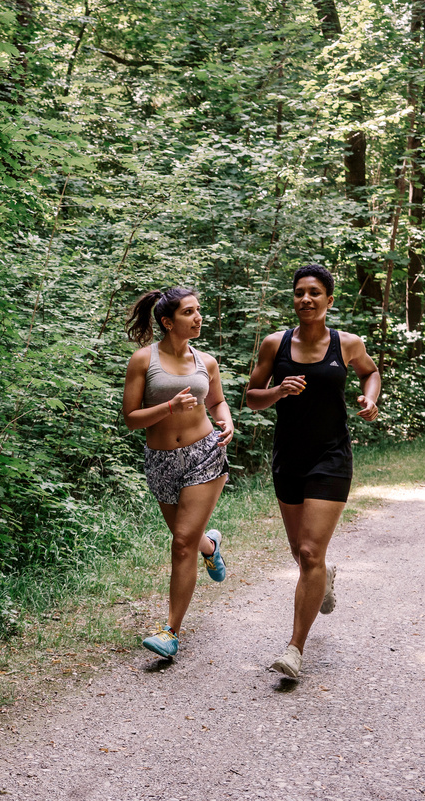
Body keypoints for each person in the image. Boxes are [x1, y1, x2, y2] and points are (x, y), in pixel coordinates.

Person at [245, 264, 380, 678]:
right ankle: (325, 578)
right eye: (299, 292)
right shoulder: (275, 344)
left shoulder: (348, 343)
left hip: (331, 457)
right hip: (289, 458)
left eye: (315, 293)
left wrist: (370, 399)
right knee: (301, 554)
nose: (306, 299)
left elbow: (370, 372)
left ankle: (294, 649)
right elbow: (251, 397)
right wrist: (278, 391)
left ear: (329, 300)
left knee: (308, 552)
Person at [122, 287, 235, 658]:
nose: (198, 317)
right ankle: (211, 545)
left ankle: (170, 631)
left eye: (199, 310)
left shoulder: (207, 361)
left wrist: (226, 421)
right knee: (189, 540)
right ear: (168, 322)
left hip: (205, 454)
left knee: (181, 543)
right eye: (189, 312)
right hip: (161, 461)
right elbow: (131, 419)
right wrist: (168, 406)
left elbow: (217, 401)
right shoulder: (143, 360)